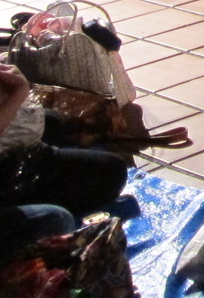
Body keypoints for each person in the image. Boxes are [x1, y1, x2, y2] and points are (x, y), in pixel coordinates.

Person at [0, 63, 129, 255]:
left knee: (110, 170)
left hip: (14, 167)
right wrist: (17, 95)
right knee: (58, 220)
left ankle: (22, 198)